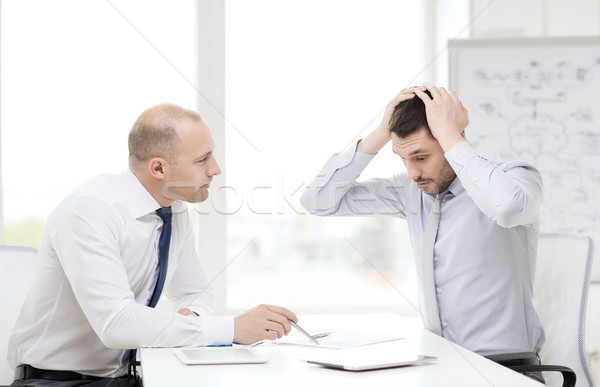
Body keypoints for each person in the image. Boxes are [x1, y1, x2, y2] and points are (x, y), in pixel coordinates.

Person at [8, 103, 297, 387]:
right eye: (202, 159)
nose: (215, 169)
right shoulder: (90, 210)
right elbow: (117, 324)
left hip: (124, 377)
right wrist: (232, 328)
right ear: (159, 167)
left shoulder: (174, 211)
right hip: (55, 382)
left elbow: (195, 292)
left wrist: (191, 320)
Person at [299, 83, 546, 383]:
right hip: (441, 367)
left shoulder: (515, 179)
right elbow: (317, 201)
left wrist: (451, 135)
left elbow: (506, 207)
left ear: (454, 141)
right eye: (403, 159)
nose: (413, 173)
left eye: (420, 157)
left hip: (506, 370)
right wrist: (380, 133)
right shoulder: (410, 191)